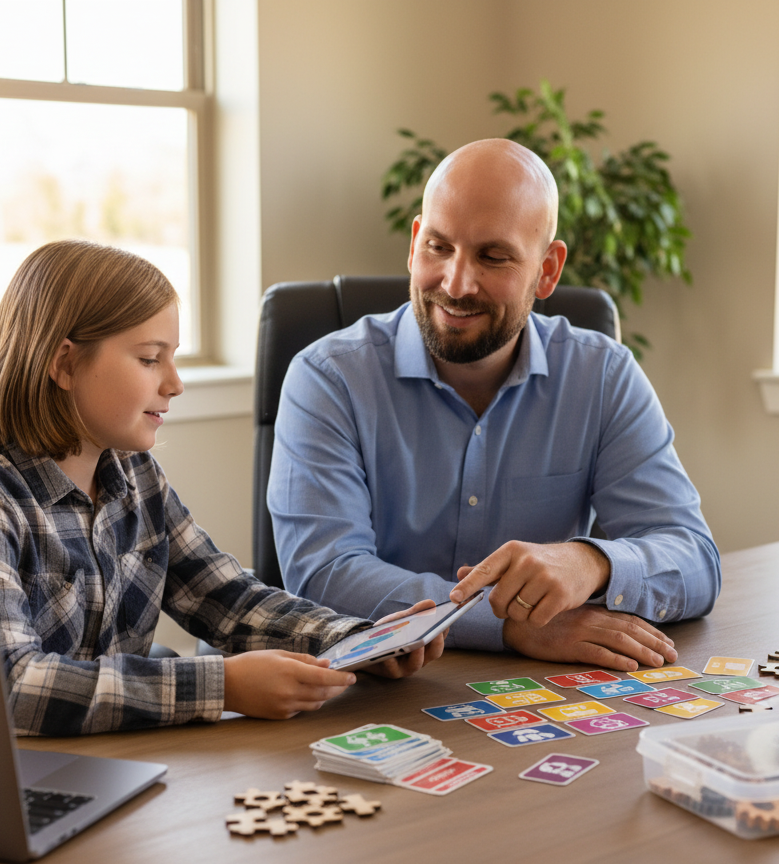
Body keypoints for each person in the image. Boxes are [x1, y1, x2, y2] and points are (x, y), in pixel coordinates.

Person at [0, 240, 443, 737]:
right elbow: (7, 685)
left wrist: (353, 640)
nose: (175, 383)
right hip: (7, 778)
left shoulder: (135, 476)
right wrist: (222, 685)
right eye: (149, 358)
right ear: (65, 362)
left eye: (173, 356)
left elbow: (223, 597)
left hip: (113, 765)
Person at [269, 138, 720, 673]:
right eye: (438, 247)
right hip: (376, 693)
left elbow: (693, 559)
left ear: (548, 270)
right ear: (415, 244)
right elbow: (325, 576)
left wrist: (592, 560)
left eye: (493, 256)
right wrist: (508, 623)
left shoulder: (603, 375)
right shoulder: (328, 377)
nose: (456, 284)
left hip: (546, 696)